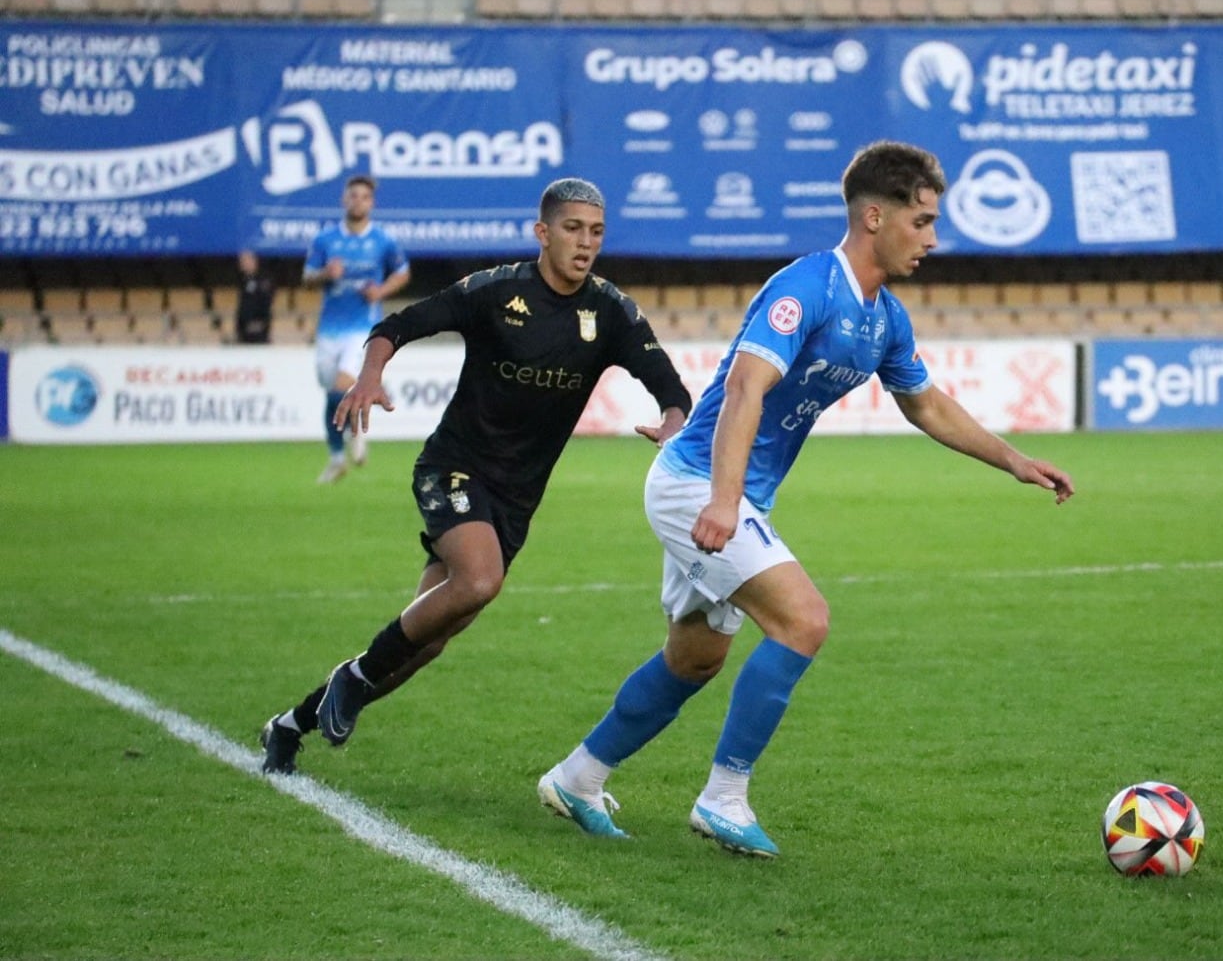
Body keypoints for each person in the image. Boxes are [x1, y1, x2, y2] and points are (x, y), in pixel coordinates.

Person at [536, 142, 1074, 858]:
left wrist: (1014, 461)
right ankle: (724, 798)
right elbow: (743, 387)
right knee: (804, 621)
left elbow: (926, 405)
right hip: (697, 485)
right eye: (922, 221)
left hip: (732, 494)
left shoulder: (884, 318)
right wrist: (725, 501)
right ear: (875, 216)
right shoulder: (806, 288)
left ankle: (577, 778)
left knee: (694, 659)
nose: (934, 238)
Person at [259, 177, 693, 776]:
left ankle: (289, 725)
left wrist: (672, 423)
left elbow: (672, 389)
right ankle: (353, 679)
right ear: (542, 233)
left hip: (516, 499)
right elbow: (399, 324)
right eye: (572, 228)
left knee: (423, 643)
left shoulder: (609, 311)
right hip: (454, 467)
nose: (585, 242)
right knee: (480, 580)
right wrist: (368, 375)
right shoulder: (497, 291)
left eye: (595, 231)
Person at [303, 175, 410, 484]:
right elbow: (307, 278)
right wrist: (326, 273)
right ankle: (337, 459)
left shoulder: (383, 240)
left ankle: (355, 435)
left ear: (371, 203)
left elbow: (402, 272)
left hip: (362, 328)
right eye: (353, 196)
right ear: (344, 199)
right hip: (329, 329)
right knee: (331, 395)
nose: (358, 201)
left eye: (364, 197)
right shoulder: (325, 240)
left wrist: (380, 291)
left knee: (340, 386)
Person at [234, 250, 275, 345]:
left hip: (258, 331)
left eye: (245, 261)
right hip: (244, 332)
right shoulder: (243, 281)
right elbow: (243, 306)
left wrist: (261, 323)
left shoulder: (264, 280)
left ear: (254, 261)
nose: (243, 264)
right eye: (241, 262)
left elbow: (266, 304)